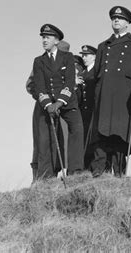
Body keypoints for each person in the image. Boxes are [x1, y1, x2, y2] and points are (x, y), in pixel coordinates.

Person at [91, 6, 131, 177]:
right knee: (101, 133)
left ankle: (119, 172)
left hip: (124, 95)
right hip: (104, 95)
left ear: (127, 23)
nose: (116, 21)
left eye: (120, 19)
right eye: (114, 18)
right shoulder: (103, 46)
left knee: (120, 133)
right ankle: (99, 172)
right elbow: (96, 74)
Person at [32, 24, 84, 178]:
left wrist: (59, 103)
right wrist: (48, 105)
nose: (44, 40)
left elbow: (69, 82)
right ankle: (46, 175)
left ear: (56, 40)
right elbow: (39, 86)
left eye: (47, 37)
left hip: (67, 102)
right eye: (43, 37)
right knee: (44, 138)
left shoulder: (67, 57)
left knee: (77, 129)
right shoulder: (39, 61)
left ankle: (75, 171)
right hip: (48, 104)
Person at [26, 40, 70, 182]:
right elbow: (30, 85)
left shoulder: (69, 63)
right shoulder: (41, 63)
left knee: (60, 142)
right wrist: (43, 98)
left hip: (62, 108)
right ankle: (40, 178)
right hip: (43, 106)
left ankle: (55, 175)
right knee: (42, 142)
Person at [78, 45, 97, 168]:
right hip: (82, 112)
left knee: (93, 141)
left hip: (94, 110)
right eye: (83, 55)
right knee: (83, 140)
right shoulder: (82, 72)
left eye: (87, 55)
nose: (84, 58)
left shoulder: (97, 71)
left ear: (94, 56)